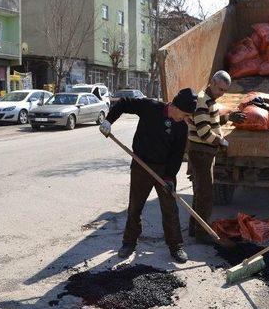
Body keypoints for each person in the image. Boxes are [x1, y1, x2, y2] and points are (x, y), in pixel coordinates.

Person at [99, 88, 197, 263]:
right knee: (135, 206)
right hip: (140, 165)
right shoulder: (150, 107)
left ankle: (176, 246)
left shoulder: (181, 127)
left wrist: (169, 177)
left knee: (170, 209)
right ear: (175, 106)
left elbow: (176, 155)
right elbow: (123, 103)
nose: (184, 119)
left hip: (165, 170)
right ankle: (129, 243)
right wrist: (108, 121)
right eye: (184, 114)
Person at [186, 70, 246, 243]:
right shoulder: (202, 101)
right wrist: (221, 142)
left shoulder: (210, 101)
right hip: (200, 153)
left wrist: (229, 117)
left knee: (200, 193)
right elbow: (204, 132)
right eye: (220, 89)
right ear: (212, 82)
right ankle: (202, 233)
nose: (222, 94)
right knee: (205, 194)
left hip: (204, 153)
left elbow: (212, 122)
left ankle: (194, 228)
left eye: (225, 91)